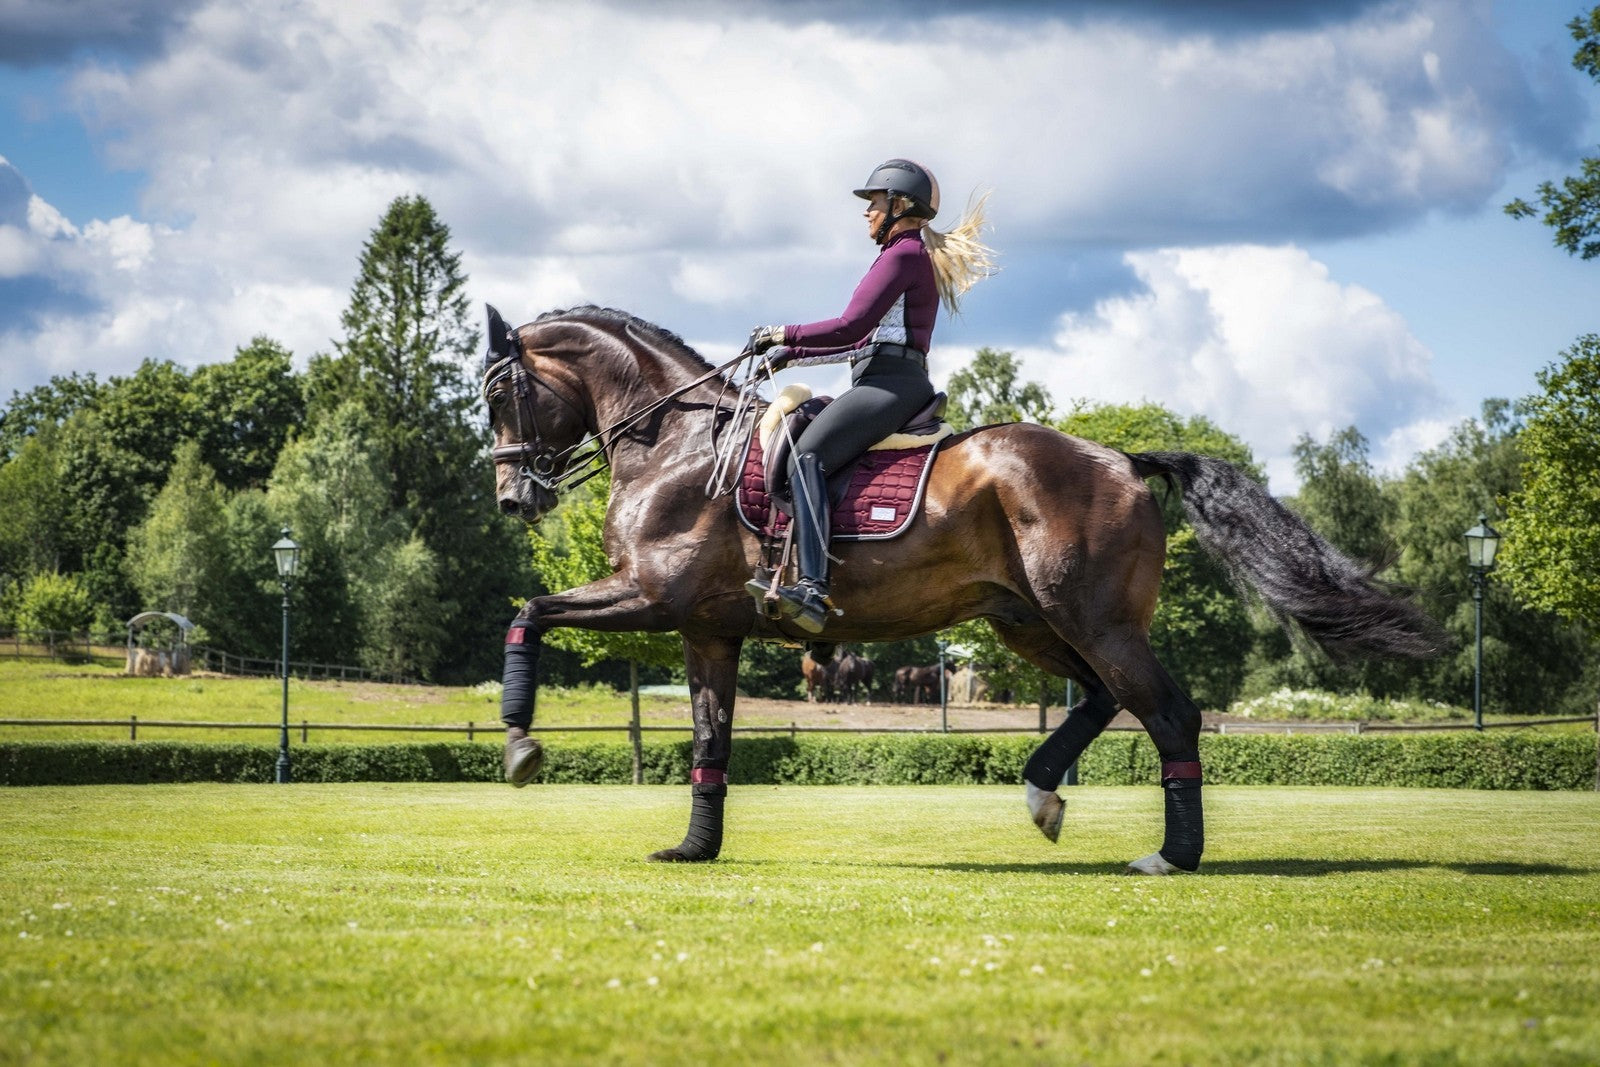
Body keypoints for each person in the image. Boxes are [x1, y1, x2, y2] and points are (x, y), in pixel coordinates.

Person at [745, 158, 996, 632]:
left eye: (874, 203)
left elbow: (850, 325)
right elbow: (863, 340)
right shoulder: (907, 253)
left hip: (889, 386)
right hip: (885, 377)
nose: (867, 213)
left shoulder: (901, 255)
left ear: (899, 206)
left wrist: (780, 332)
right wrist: (791, 353)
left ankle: (814, 589)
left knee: (807, 456)